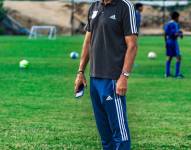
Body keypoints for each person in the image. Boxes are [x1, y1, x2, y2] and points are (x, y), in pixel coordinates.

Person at [74, 0, 138, 149]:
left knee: (119, 134)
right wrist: (80, 72)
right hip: (95, 78)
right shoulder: (94, 6)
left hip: (113, 79)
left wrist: (124, 76)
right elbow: (88, 42)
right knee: (105, 135)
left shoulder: (125, 7)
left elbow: (132, 45)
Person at [164, 11, 184, 78]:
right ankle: (177, 74)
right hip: (173, 42)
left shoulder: (168, 23)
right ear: (176, 17)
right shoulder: (175, 24)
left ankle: (167, 73)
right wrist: (180, 34)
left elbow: (165, 33)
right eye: (178, 17)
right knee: (178, 57)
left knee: (169, 57)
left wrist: (166, 42)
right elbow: (175, 34)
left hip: (168, 41)